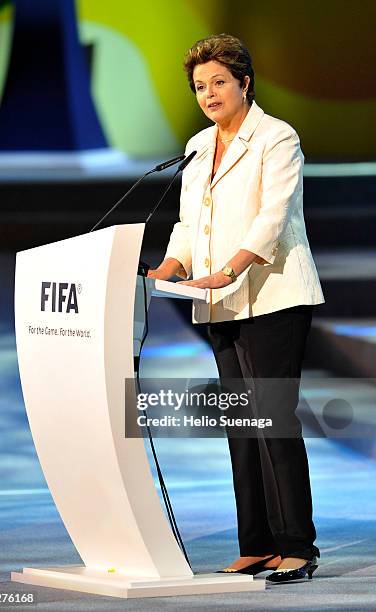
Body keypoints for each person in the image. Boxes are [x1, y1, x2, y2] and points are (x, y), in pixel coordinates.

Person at [148, 33, 324, 583]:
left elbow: (273, 217)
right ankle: (257, 542)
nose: (209, 94)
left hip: (272, 294)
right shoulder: (199, 145)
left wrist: (228, 269)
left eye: (219, 82)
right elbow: (187, 224)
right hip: (217, 301)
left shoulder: (277, 137)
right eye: (200, 86)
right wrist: (169, 269)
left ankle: (297, 544)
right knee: (241, 425)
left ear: (244, 82)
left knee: (273, 420)